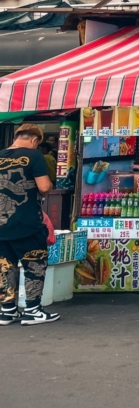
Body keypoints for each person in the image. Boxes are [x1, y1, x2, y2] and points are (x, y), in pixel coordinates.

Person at [0, 124, 59, 325]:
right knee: (34, 265)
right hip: (26, 223)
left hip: (1, 225)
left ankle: (7, 310)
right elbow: (43, 187)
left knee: (4, 267)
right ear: (35, 140)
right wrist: (47, 185)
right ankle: (33, 310)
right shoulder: (35, 156)